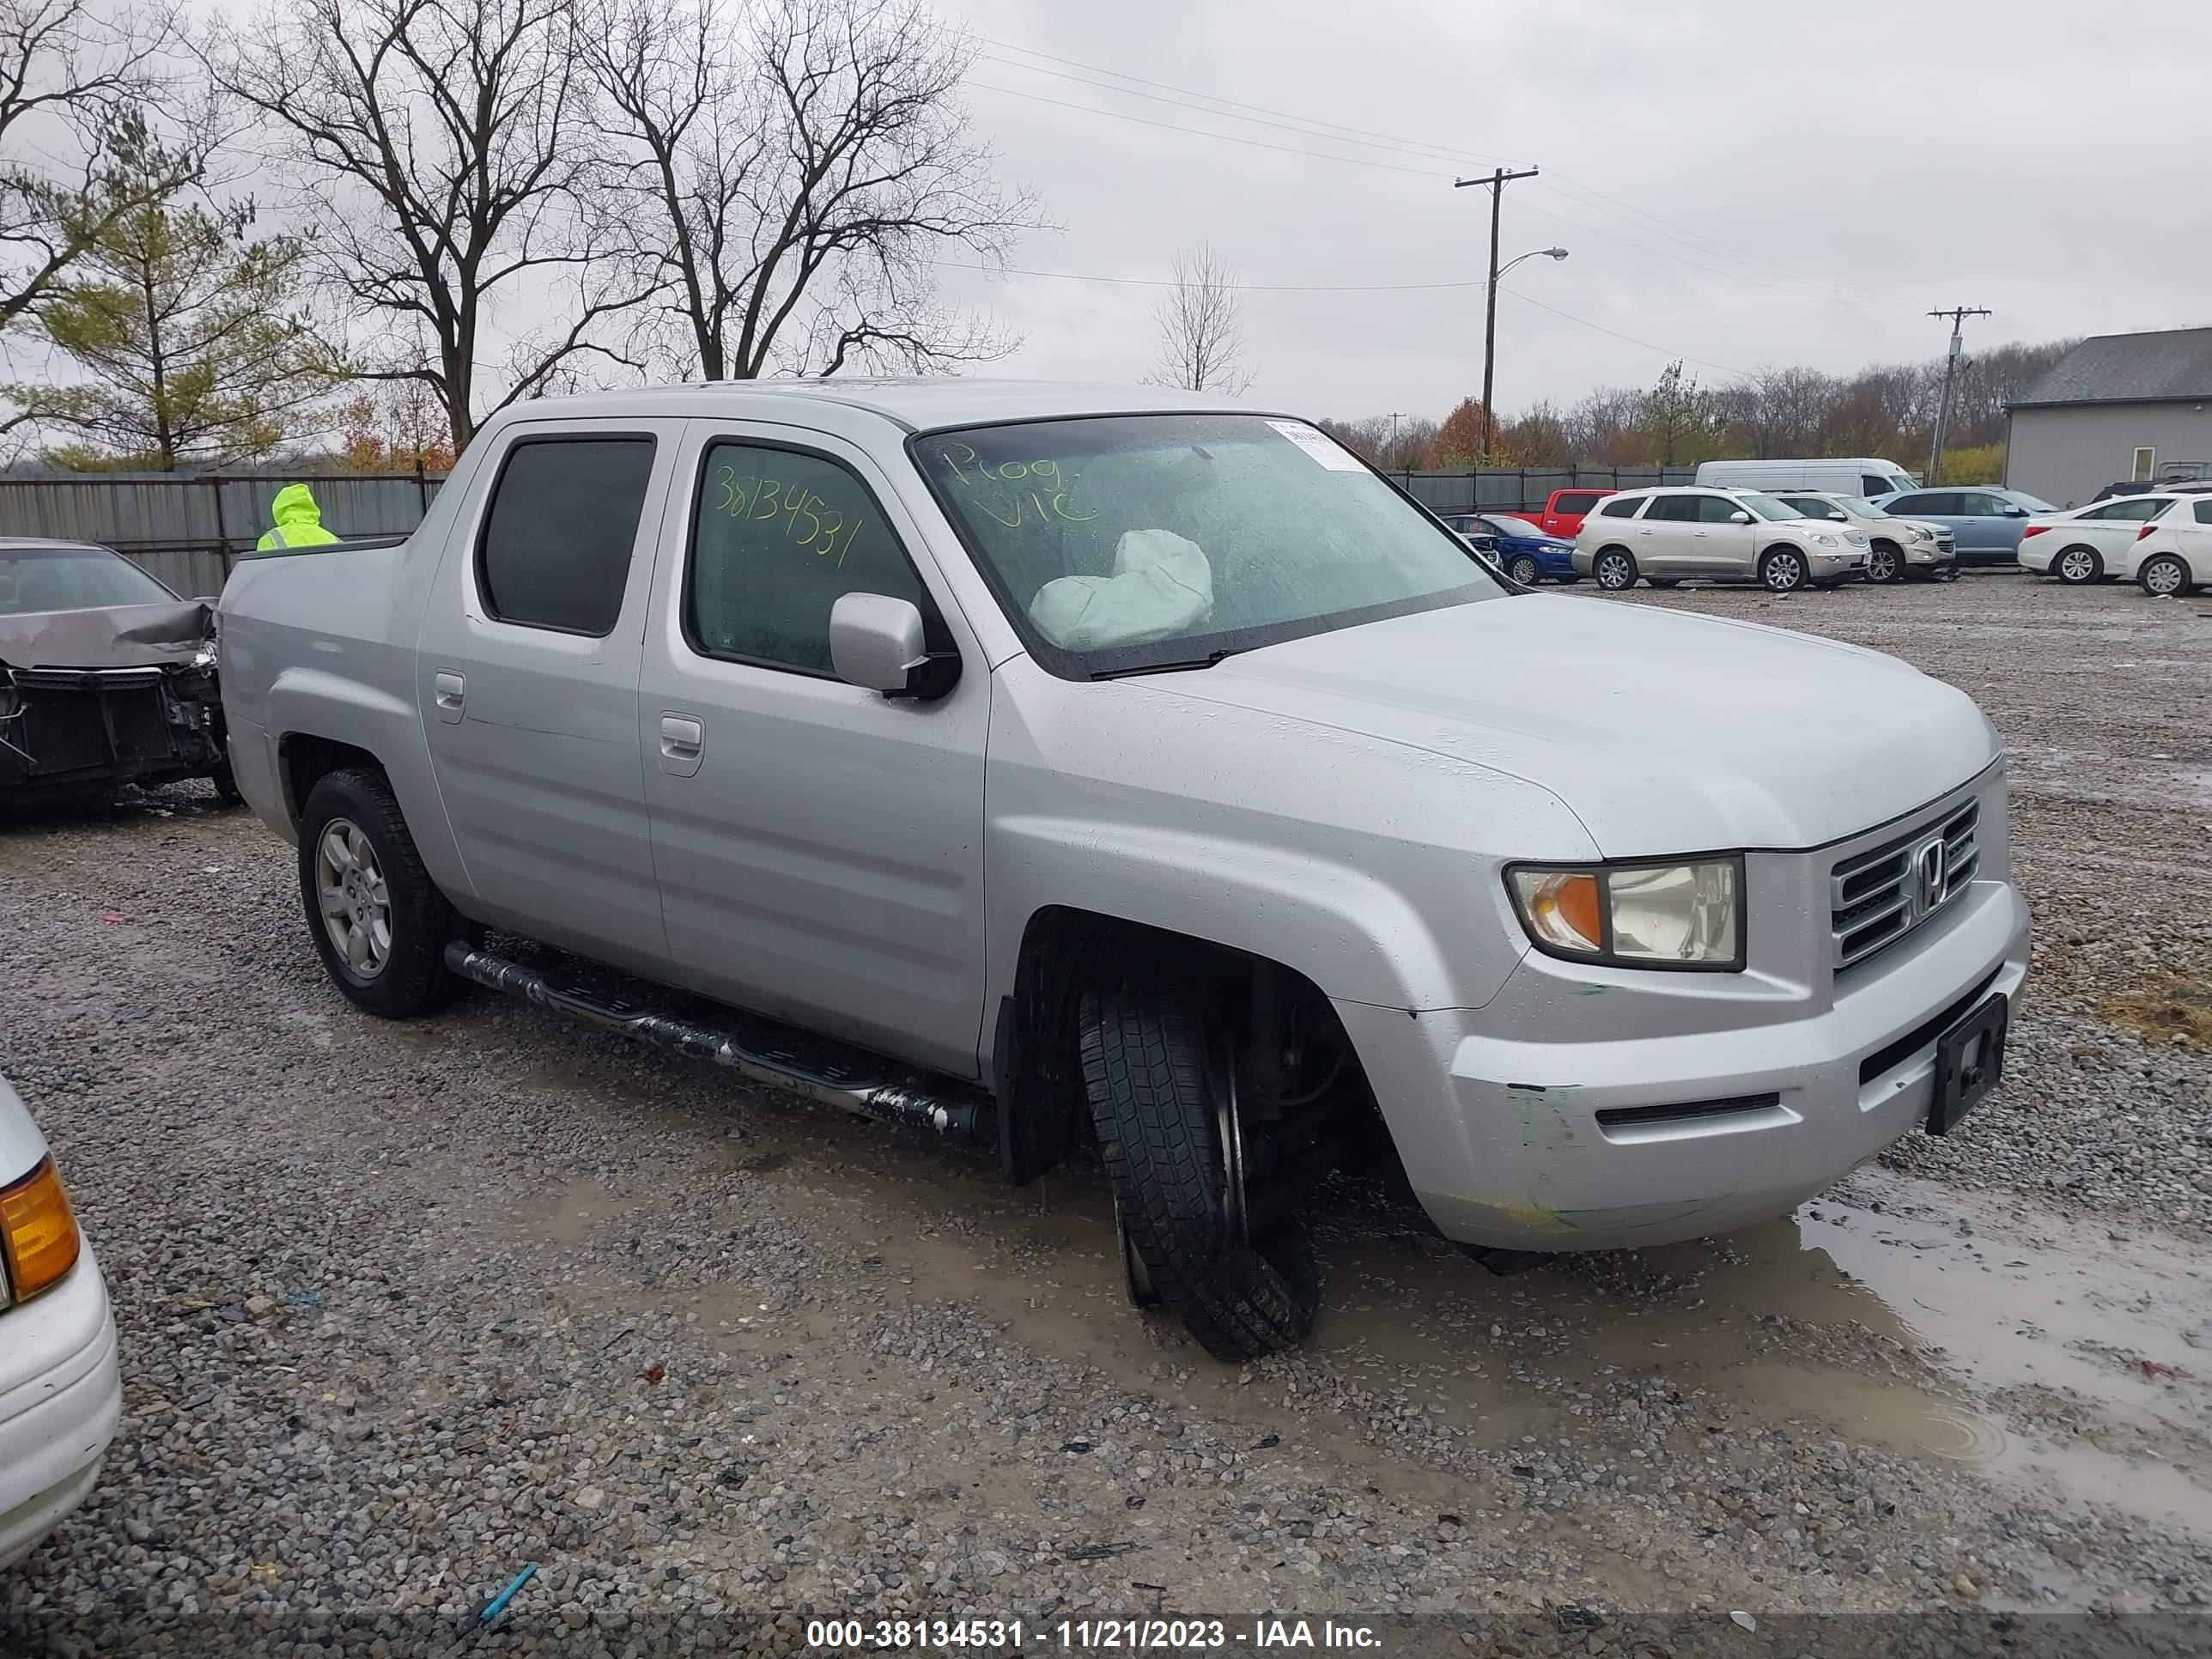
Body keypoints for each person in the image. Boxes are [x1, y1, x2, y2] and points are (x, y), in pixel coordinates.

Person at [256, 483, 341, 551]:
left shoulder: (270, 538)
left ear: (278, 508)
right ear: (310, 506)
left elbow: (264, 571)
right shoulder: (332, 538)